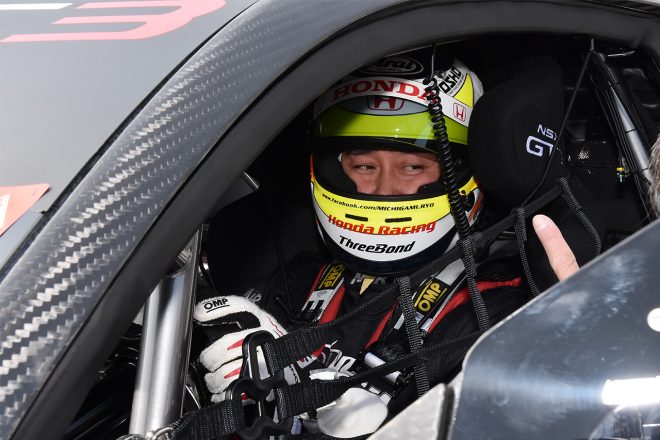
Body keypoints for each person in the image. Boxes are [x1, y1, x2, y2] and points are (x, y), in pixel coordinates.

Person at [194, 48, 535, 437]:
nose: (385, 188)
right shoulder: (296, 282)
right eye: (364, 166)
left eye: (413, 166)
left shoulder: (492, 314)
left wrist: (302, 401)